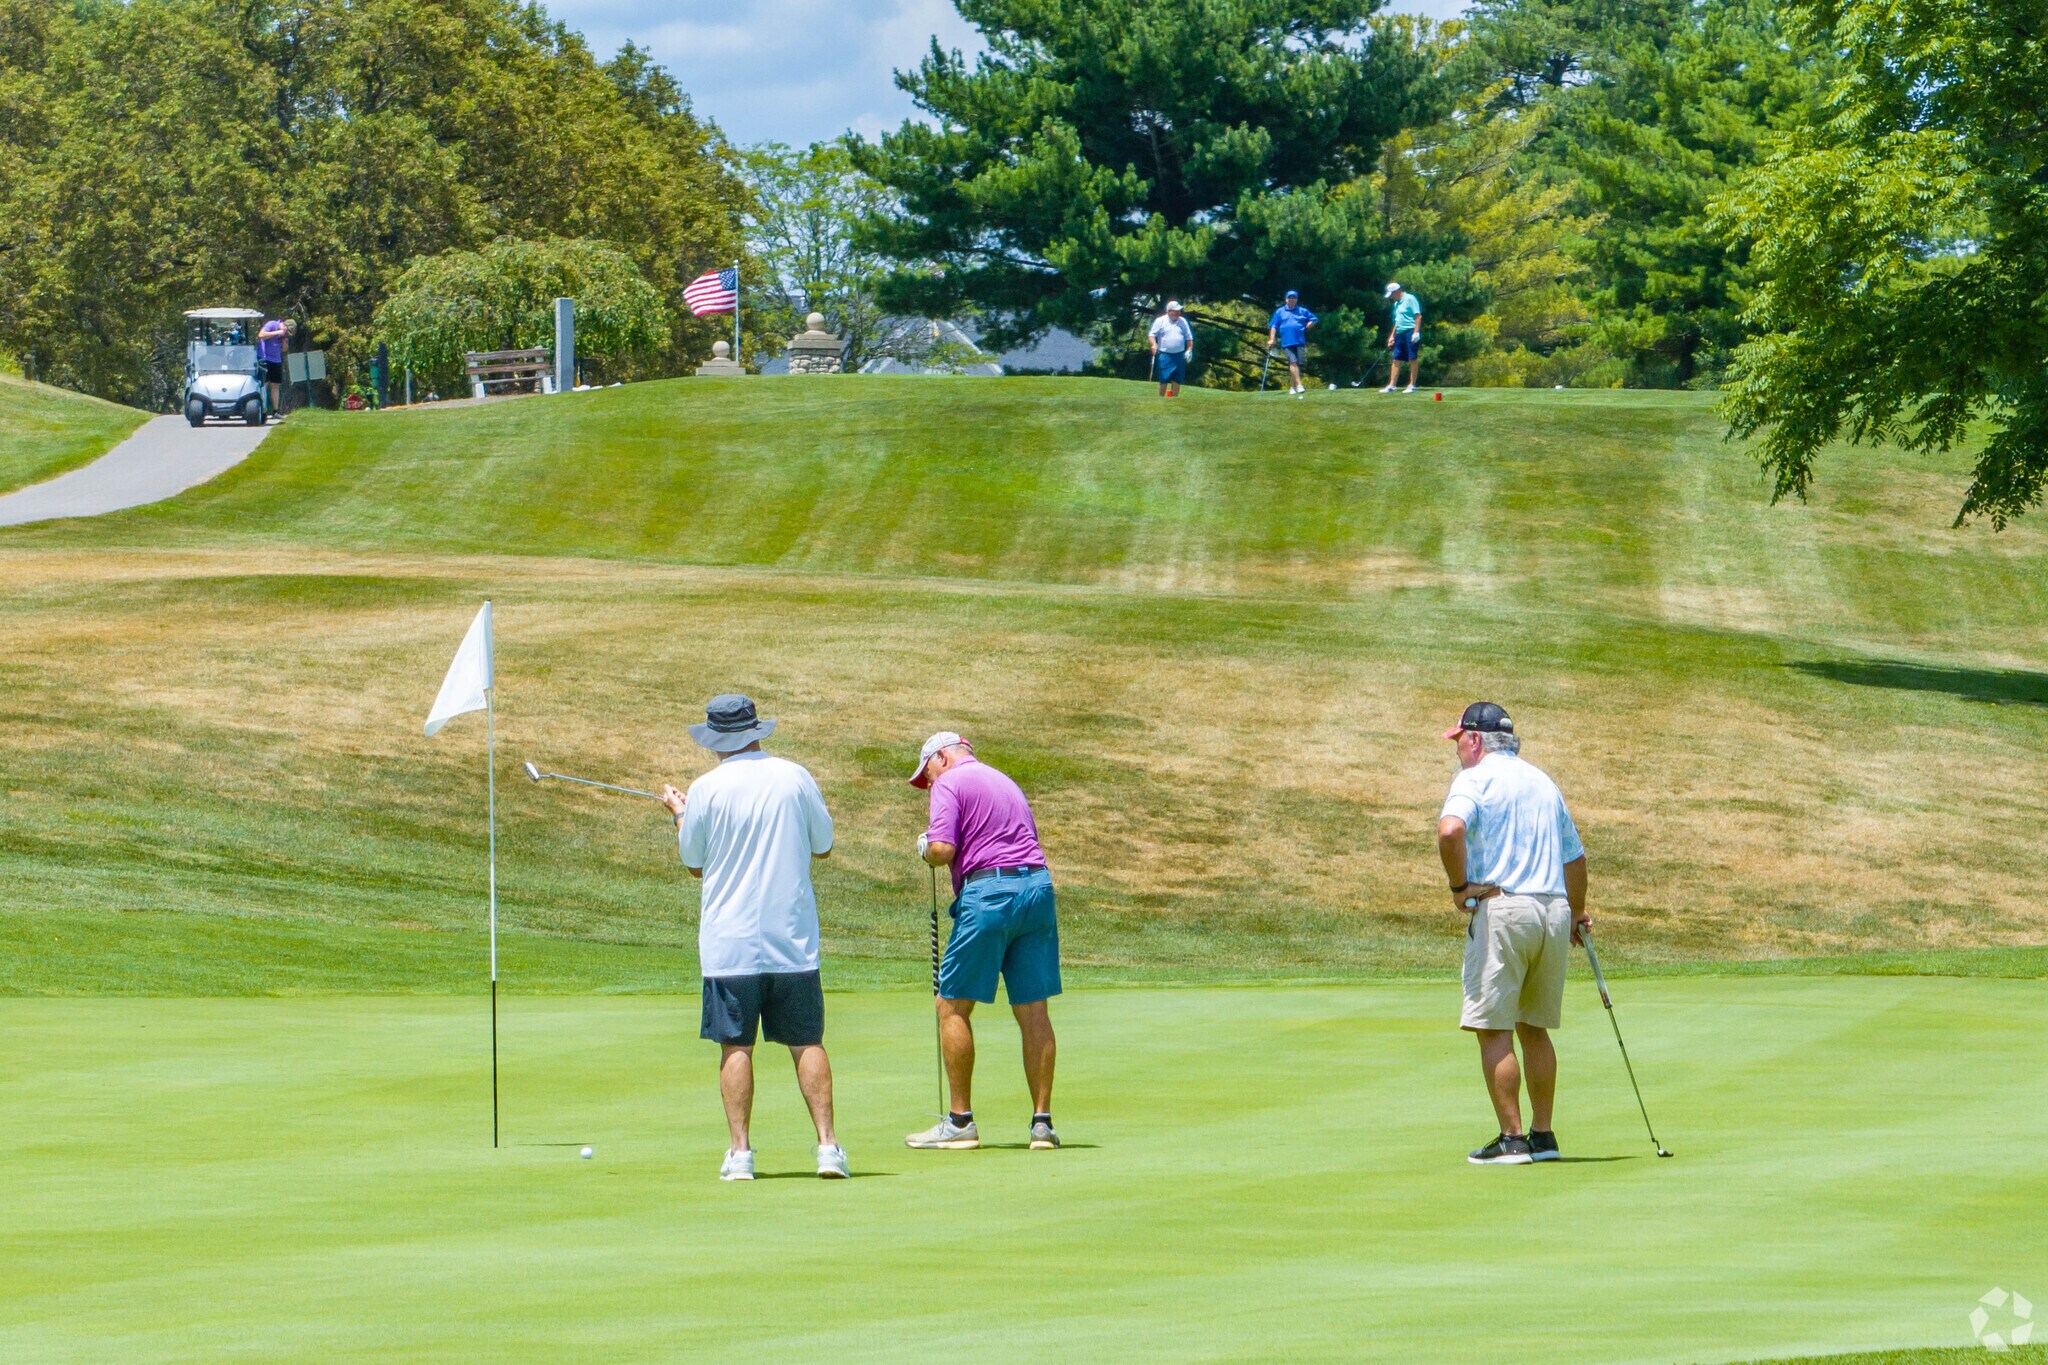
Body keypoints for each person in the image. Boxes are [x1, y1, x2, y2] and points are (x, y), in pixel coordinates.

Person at [661, 694, 848, 1181]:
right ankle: (828, 1147)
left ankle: (740, 1154)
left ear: (716, 741)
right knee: (806, 1040)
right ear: (757, 732)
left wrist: (680, 814)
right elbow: (823, 847)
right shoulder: (795, 776)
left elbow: (694, 863)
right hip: (792, 939)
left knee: (736, 1046)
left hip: (731, 943)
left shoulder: (704, 788)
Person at [1435, 702, 1589, 1166]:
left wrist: (1459, 887)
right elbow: (1575, 858)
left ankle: (1512, 1138)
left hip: (1504, 908)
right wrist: (1578, 912)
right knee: (1534, 1028)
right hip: (1553, 910)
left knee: (1493, 1027)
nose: (1457, 748)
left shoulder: (1474, 778)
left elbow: (1449, 831)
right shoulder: (1542, 780)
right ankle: (1544, 1136)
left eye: (1459, 739)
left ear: (1476, 739)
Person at [904, 732, 1062, 1152]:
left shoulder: (950, 783)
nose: (929, 782)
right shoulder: (1005, 780)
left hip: (990, 893)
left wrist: (924, 849)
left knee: (951, 1004)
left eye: (928, 772)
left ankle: (960, 1123)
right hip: (1038, 889)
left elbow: (942, 848)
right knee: (1032, 1008)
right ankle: (1042, 1125)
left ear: (942, 757)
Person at [1266, 289, 1318, 399]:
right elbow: (1273, 326)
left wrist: (1307, 326)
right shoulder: (1280, 312)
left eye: (1294, 298)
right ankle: (1299, 385)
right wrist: (1272, 339)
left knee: (1297, 365)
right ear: (1286, 299)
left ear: (1297, 300)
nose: (1292, 300)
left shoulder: (1302, 311)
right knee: (1293, 362)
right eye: (1290, 298)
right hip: (1287, 342)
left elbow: (1314, 319)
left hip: (1299, 341)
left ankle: (1292, 387)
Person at [1381, 282, 1423, 394]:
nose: (1391, 298)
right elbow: (1397, 321)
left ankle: (1412, 384)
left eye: (1392, 295)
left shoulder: (1410, 299)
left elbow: (1418, 316)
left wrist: (1416, 332)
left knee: (1412, 358)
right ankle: (1392, 385)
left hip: (1410, 331)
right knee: (1396, 359)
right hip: (1400, 333)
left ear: (1397, 291)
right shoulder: (1396, 304)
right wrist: (1391, 336)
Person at [1148, 300, 1194, 397]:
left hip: (1179, 355)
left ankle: (1173, 401)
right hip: (1165, 355)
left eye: (1179, 311)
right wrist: (1154, 344)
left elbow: (1189, 338)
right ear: (1169, 311)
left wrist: (1189, 350)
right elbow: (1152, 335)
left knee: (1177, 380)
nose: (1178, 313)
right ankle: (1161, 399)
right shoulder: (1160, 321)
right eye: (1175, 311)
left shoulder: (1183, 321)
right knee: (1164, 379)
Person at [258, 317, 289, 419]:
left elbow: (284, 350)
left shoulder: (285, 334)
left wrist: (284, 339)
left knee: (275, 385)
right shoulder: (272, 324)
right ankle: (263, 410)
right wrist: (277, 332)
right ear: (284, 325)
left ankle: (275, 411)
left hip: (276, 360)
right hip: (264, 359)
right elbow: (261, 335)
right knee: (264, 385)